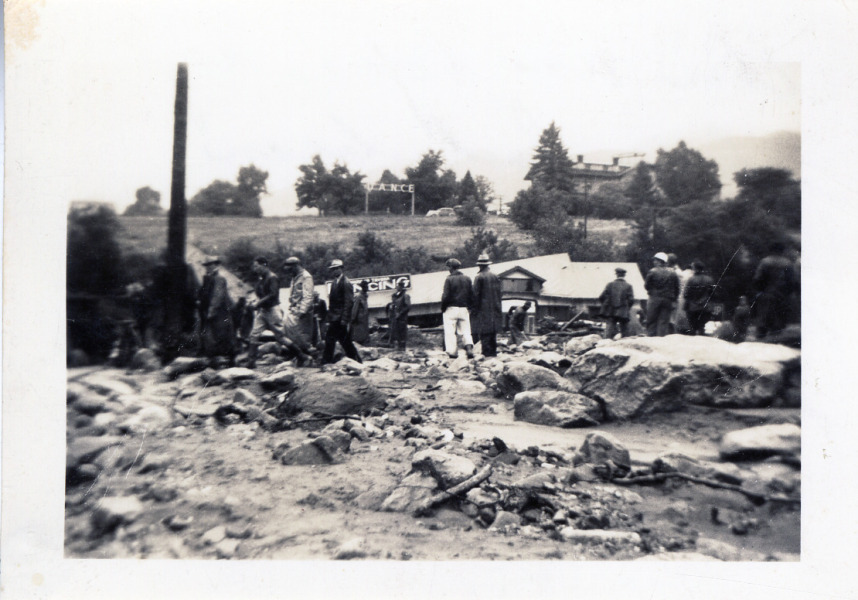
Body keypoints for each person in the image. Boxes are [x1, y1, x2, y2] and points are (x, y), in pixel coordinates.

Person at [246, 256, 304, 368]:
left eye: (257, 266)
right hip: (263, 310)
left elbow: (273, 295)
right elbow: (260, 294)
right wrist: (255, 301)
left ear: (264, 265)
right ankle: (251, 362)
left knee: (280, 337)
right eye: (254, 266)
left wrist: (258, 303)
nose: (255, 269)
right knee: (254, 334)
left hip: (273, 310)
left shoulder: (272, 278)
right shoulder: (261, 279)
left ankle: (300, 355)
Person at [752, 242, 797, 339]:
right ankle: (776, 341)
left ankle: (760, 340)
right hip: (782, 295)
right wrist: (788, 293)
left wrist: (759, 290)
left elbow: (757, 278)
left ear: (771, 250)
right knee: (778, 320)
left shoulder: (765, 262)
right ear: (782, 251)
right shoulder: (788, 263)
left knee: (763, 318)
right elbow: (791, 281)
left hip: (766, 294)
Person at [197, 256, 237, 366]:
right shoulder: (208, 278)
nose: (207, 267)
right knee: (213, 335)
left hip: (221, 311)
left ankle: (230, 360)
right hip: (213, 311)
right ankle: (216, 360)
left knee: (224, 334)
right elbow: (203, 294)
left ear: (215, 265)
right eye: (206, 265)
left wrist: (211, 311)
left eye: (210, 265)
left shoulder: (219, 278)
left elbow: (217, 296)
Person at [322, 259, 362, 364]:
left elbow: (348, 303)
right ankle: (356, 360)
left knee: (330, 339)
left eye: (336, 269)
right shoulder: (335, 282)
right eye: (333, 269)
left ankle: (326, 361)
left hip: (339, 318)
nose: (334, 271)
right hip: (335, 317)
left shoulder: (346, 283)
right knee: (345, 341)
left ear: (341, 269)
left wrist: (344, 319)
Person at [282, 256, 317, 359]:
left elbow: (308, 296)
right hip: (294, 309)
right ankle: (297, 355)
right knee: (290, 331)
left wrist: (302, 311)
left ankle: (310, 355)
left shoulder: (306, 277)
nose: (289, 272)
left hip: (302, 311)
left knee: (303, 335)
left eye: (291, 269)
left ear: (296, 266)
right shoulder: (294, 277)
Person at [441, 257, 475, 359]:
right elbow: (471, 294)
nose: (448, 269)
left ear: (451, 267)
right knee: (466, 330)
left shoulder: (449, 279)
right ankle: (469, 348)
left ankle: (453, 352)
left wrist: (443, 307)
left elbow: (446, 296)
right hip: (464, 308)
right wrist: (470, 307)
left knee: (450, 331)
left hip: (451, 308)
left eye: (449, 267)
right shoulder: (467, 278)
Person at [472, 254, 503, 357]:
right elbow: (499, 293)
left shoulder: (479, 277)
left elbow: (475, 295)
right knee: (493, 332)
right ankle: (493, 354)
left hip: (483, 309)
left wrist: (474, 310)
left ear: (480, 265)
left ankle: (486, 354)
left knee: (484, 332)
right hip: (495, 308)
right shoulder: (495, 276)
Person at [644, 252, 680, 337]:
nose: (654, 262)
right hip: (668, 299)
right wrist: (674, 298)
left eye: (655, 260)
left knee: (651, 320)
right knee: (663, 321)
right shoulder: (673, 272)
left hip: (654, 298)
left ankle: (651, 338)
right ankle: (660, 339)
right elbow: (677, 287)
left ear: (660, 261)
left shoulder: (652, 271)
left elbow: (646, 286)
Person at [598, 267, 635, 339]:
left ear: (616, 275)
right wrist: (627, 307)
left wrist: (606, 305)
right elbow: (631, 300)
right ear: (624, 275)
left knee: (609, 328)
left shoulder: (610, 285)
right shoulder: (628, 286)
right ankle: (625, 344)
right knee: (624, 330)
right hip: (623, 311)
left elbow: (601, 297)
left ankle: (605, 343)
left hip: (611, 310)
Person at [682, 260, 716, 336]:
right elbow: (713, 294)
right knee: (702, 327)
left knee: (692, 328)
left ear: (695, 268)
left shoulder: (691, 279)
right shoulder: (709, 279)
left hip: (692, 307)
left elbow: (686, 294)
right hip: (705, 307)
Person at [668, 253, 693, 334]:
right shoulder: (675, 271)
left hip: (677, 298)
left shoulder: (677, 272)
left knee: (674, 319)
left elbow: (678, 287)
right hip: (676, 297)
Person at [389, 280, 411, 350]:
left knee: (402, 333)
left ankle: (402, 348)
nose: (397, 287)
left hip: (402, 318)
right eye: (397, 286)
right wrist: (391, 306)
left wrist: (400, 313)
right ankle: (398, 347)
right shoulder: (395, 296)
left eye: (398, 286)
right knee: (396, 333)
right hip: (395, 317)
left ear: (401, 287)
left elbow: (407, 306)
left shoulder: (405, 296)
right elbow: (394, 304)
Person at [350, 280, 370, 345]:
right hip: (359, 321)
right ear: (363, 287)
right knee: (358, 339)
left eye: (367, 286)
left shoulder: (365, 296)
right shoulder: (358, 297)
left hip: (364, 320)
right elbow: (354, 309)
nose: (367, 288)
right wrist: (353, 319)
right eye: (366, 286)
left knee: (364, 338)